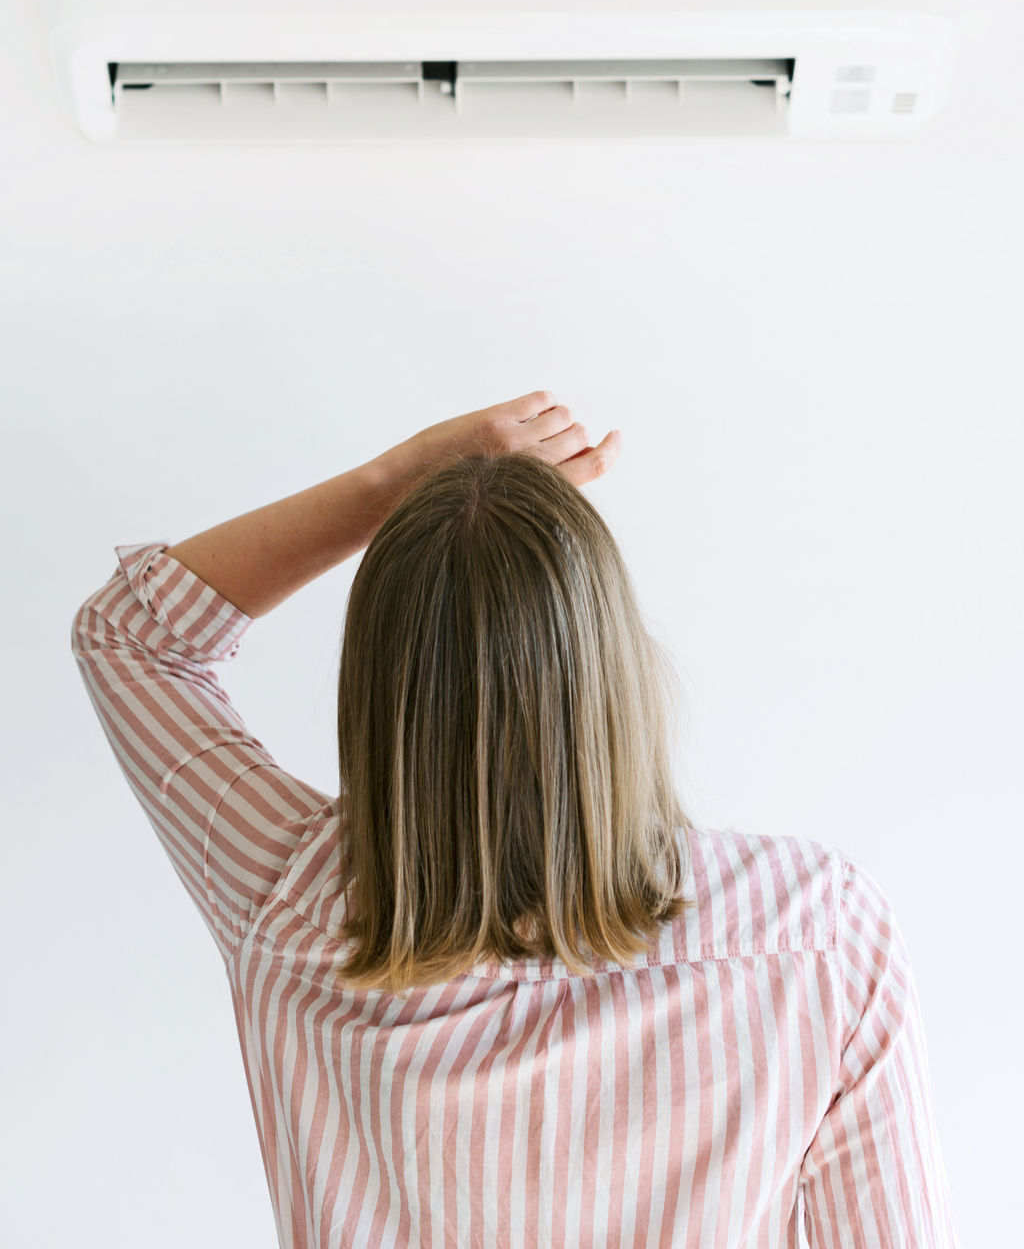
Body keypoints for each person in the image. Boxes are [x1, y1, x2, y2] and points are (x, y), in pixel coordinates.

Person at [72, 391, 962, 1249]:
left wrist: (395, 481)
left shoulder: (288, 896)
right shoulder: (816, 934)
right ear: (614, 672)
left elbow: (130, 636)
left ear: (377, 701)